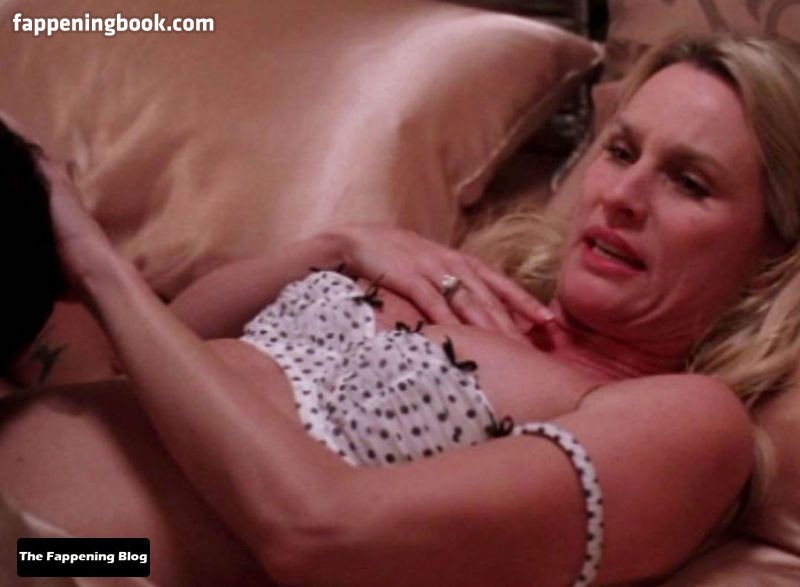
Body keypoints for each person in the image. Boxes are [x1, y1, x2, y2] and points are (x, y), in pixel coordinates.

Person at [2, 33, 800, 587]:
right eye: (621, 151)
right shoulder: (470, 285)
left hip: (67, 557)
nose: (622, 195)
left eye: (689, 182)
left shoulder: (689, 420)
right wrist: (335, 246)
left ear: (775, 250)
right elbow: (148, 355)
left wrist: (97, 261)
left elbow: (322, 533)